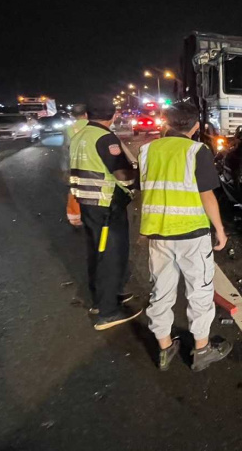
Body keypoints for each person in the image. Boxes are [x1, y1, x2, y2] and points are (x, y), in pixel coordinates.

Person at [139, 101, 231, 371]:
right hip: (191, 233)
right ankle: (202, 350)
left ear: (166, 122)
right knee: (200, 291)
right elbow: (206, 195)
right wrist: (220, 230)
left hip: (158, 233)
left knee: (162, 291)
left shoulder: (146, 150)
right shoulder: (196, 150)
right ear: (195, 125)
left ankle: (165, 348)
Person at [69, 99, 141, 330]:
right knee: (112, 255)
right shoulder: (106, 138)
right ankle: (108, 312)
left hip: (87, 203)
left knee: (96, 252)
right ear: (113, 116)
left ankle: (102, 300)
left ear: (89, 114)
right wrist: (133, 187)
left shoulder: (79, 136)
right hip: (106, 205)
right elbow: (122, 173)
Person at [64, 104, 89, 228]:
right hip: (92, 164)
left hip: (74, 165)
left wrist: (65, 170)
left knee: (74, 190)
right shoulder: (94, 127)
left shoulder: (69, 129)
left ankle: (75, 219)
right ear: (86, 114)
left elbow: (65, 151)